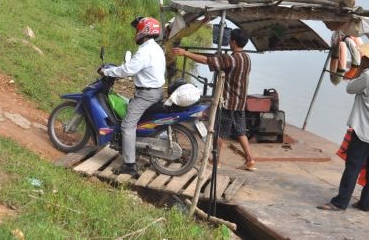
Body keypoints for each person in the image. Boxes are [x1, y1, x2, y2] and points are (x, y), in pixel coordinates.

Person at [317, 40, 369, 212]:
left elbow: (350, 88)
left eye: (364, 57)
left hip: (365, 130)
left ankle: (340, 202)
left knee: (353, 166)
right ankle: (365, 203)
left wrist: (360, 69)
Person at [172, 28, 256, 171]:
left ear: (233, 42)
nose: (229, 42)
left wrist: (185, 53)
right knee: (240, 131)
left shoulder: (231, 59)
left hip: (228, 102)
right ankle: (250, 160)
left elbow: (206, 60)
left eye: (230, 40)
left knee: (219, 132)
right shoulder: (246, 58)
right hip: (240, 101)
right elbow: (217, 61)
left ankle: (214, 160)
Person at [98, 17, 166, 177]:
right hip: (155, 91)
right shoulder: (156, 48)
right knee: (128, 107)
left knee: (127, 126)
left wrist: (107, 72)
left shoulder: (145, 51)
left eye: (137, 30)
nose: (136, 33)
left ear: (144, 31)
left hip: (146, 95)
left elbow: (128, 70)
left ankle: (130, 165)